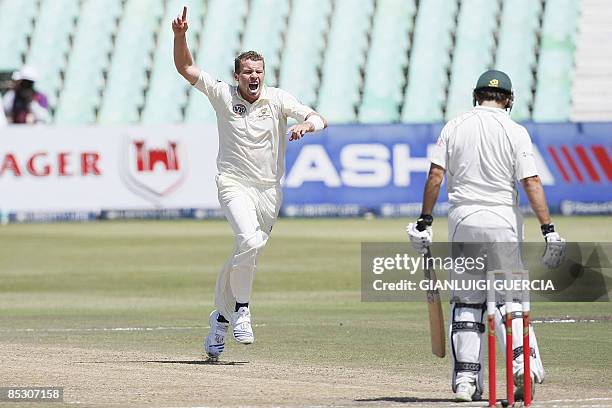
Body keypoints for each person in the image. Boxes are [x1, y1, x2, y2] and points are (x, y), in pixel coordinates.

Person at [172, 7, 327, 360]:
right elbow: (186, 68)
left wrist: (306, 126)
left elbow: (317, 117)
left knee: (247, 252)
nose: (254, 77)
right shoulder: (223, 94)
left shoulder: (278, 98)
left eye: (259, 71)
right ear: (237, 75)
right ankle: (242, 308)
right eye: (247, 72)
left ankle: (220, 320)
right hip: (233, 182)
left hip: (269, 190)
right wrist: (180, 36)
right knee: (247, 240)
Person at [406, 70, 566, 402]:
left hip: (463, 219)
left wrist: (424, 220)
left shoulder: (455, 125)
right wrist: (548, 230)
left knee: (467, 302)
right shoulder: (515, 130)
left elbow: (436, 175)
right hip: (502, 221)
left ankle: (466, 380)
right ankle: (523, 364)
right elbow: (531, 182)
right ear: (508, 99)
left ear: (476, 96)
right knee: (513, 302)